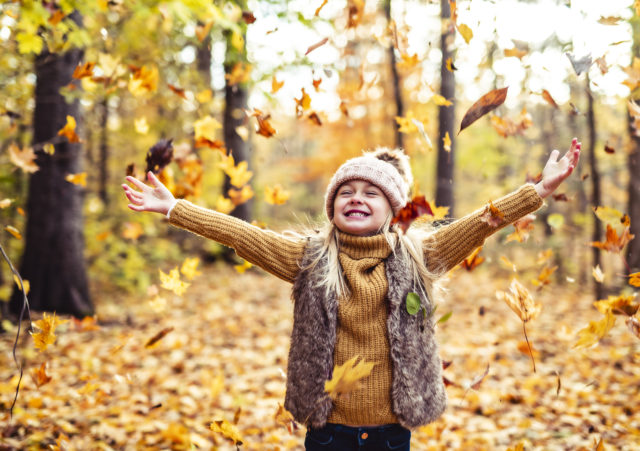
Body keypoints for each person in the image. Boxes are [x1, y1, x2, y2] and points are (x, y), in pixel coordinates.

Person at [122, 138, 581, 451]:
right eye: (346, 192)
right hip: (328, 430)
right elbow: (242, 235)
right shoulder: (309, 259)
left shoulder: (420, 256)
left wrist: (539, 190)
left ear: (393, 209)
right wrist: (175, 208)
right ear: (332, 206)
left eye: (371, 192)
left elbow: (485, 221)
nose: (356, 198)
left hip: (391, 429)